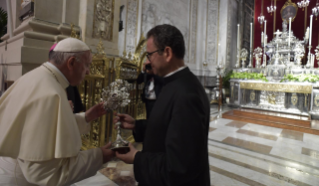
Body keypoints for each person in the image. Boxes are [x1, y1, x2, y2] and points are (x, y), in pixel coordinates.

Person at [0, 38, 114, 185]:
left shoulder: (37, 77)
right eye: (87, 65)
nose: (88, 71)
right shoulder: (51, 94)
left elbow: (48, 127)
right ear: (71, 62)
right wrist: (99, 156)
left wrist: (86, 117)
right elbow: (44, 174)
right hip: (18, 179)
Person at [114, 24, 211, 186]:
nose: (147, 61)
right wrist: (137, 126)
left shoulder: (187, 95)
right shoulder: (175, 83)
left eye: (149, 55)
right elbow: (169, 128)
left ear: (167, 53)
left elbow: (179, 167)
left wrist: (137, 158)